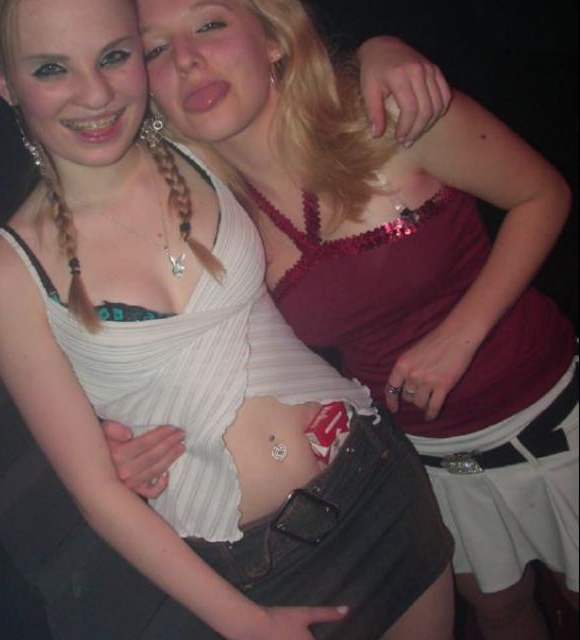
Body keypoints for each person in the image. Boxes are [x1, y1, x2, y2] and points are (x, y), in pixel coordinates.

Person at [0, 0, 456, 638]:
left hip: (376, 472)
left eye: (114, 56)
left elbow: (296, 86)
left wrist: (380, 48)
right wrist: (245, 623)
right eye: (51, 69)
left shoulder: (200, 148)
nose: (95, 94)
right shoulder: (7, 273)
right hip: (260, 566)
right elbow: (97, 494)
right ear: (2, 80)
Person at [103, 1, 579, 639]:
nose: (186, 59)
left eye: (209, 24)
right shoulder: (219, 228)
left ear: (273, 40)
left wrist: (460, 336)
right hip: (425, 462)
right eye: (156, 49)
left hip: (554, 415)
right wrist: (143, 444)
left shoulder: (387, 113)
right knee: (500, 611)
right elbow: (214, 365)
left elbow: (542, 194)